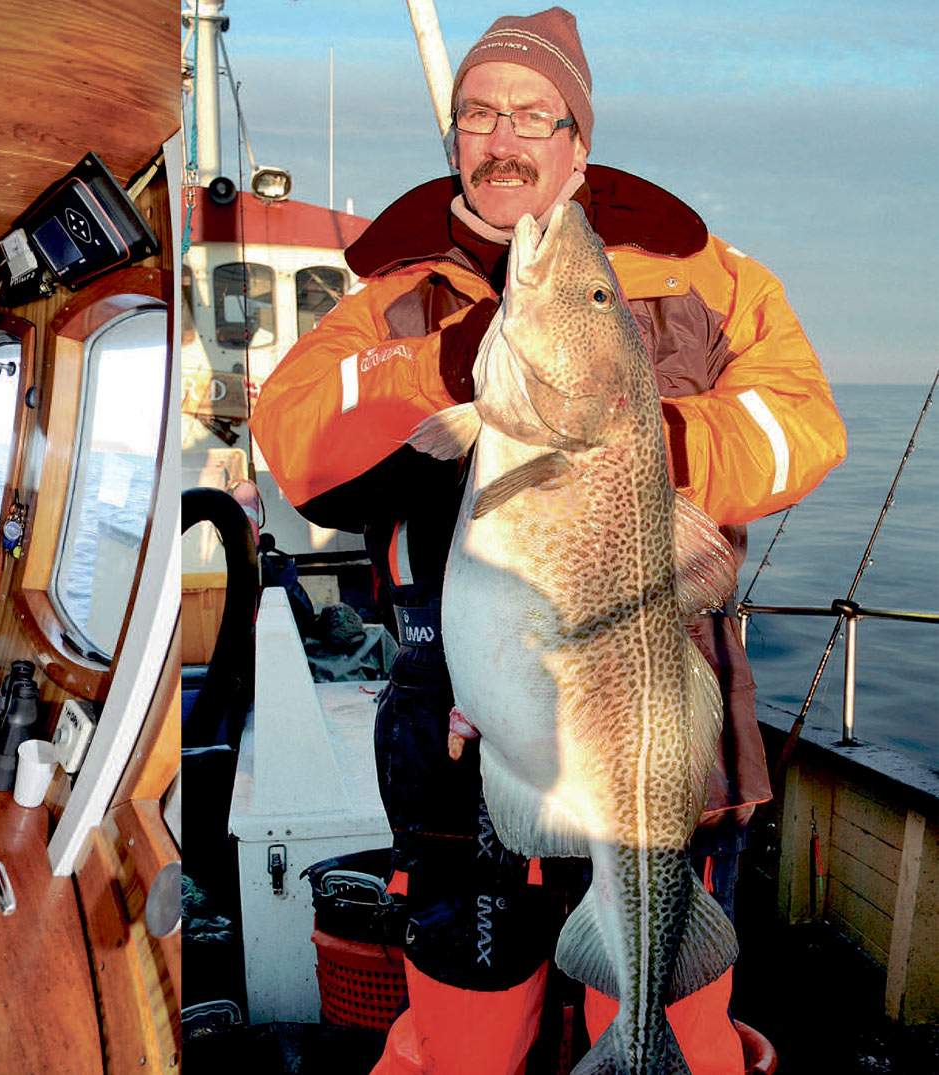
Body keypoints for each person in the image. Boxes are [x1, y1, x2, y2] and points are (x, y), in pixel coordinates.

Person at [250, 8, 846, 1074]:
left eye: (533, 113)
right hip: (457, 727)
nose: (503, 136)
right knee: (461, 1042)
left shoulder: (712, 274)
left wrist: (643, 434)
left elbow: (804, 423)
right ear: (457, 139)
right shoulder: (390, 294)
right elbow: (295, 442)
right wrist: (445, 363)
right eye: (477, 113)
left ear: (579, 136)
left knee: (680, 1028)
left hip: (656, 715)